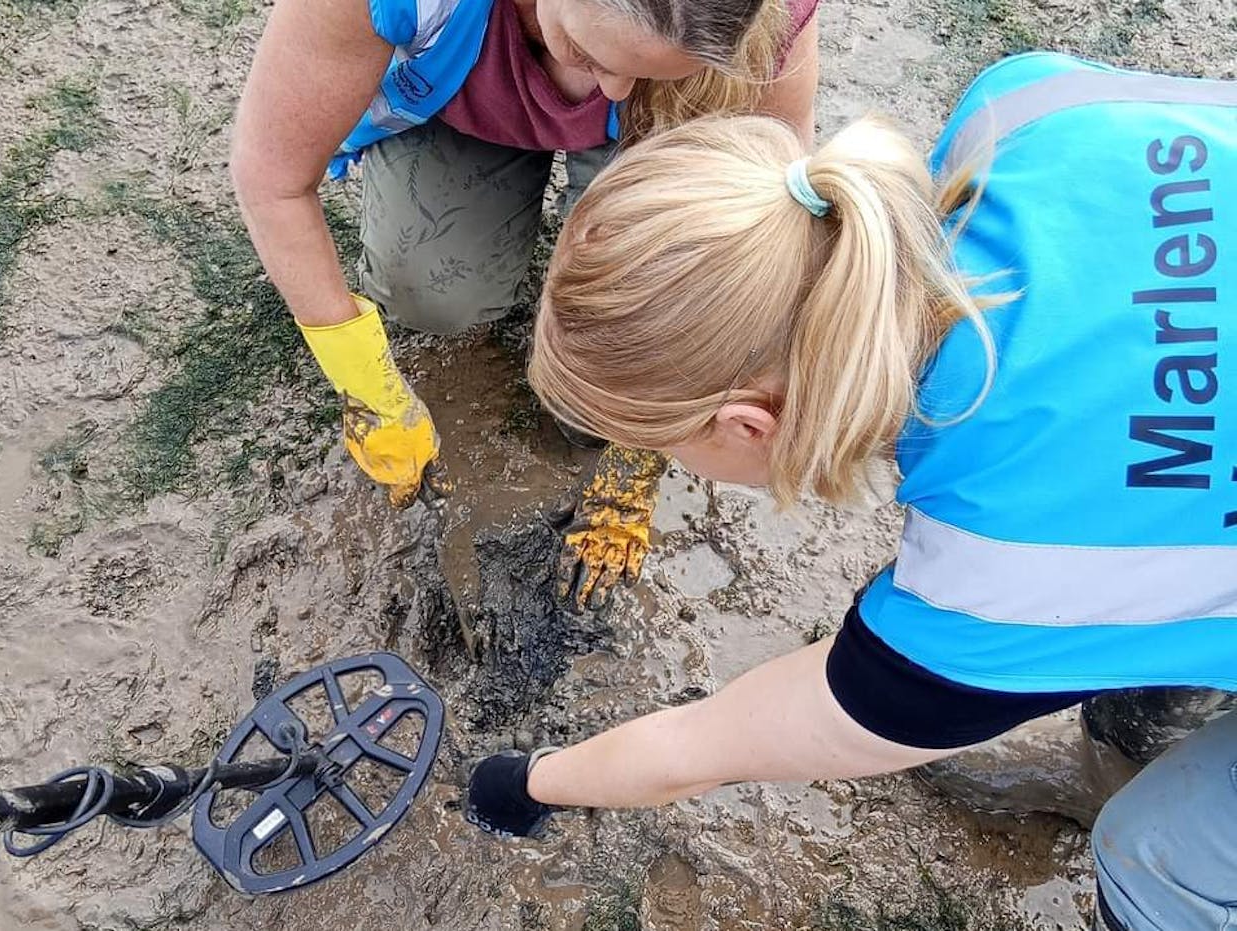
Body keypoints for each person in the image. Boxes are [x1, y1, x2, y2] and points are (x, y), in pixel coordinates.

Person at [462, 51, 1237, 929]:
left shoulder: (992, 591)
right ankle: (1130, 741)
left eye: (660, 448)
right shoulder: (1017, 109)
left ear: (747, 424)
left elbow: (702, 746)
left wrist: (527, 781)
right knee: (1177, 566)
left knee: (1154, 858)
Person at [230, 0, 822, 612]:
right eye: (592, 56)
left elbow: (754, 269)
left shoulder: (763, 23)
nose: (613, 88)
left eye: (645, 71)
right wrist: (365, 386)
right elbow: (271, 179)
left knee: (601, 396)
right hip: (466, 105)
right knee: (430, 294)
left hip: (656, 137)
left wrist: (642, 442)